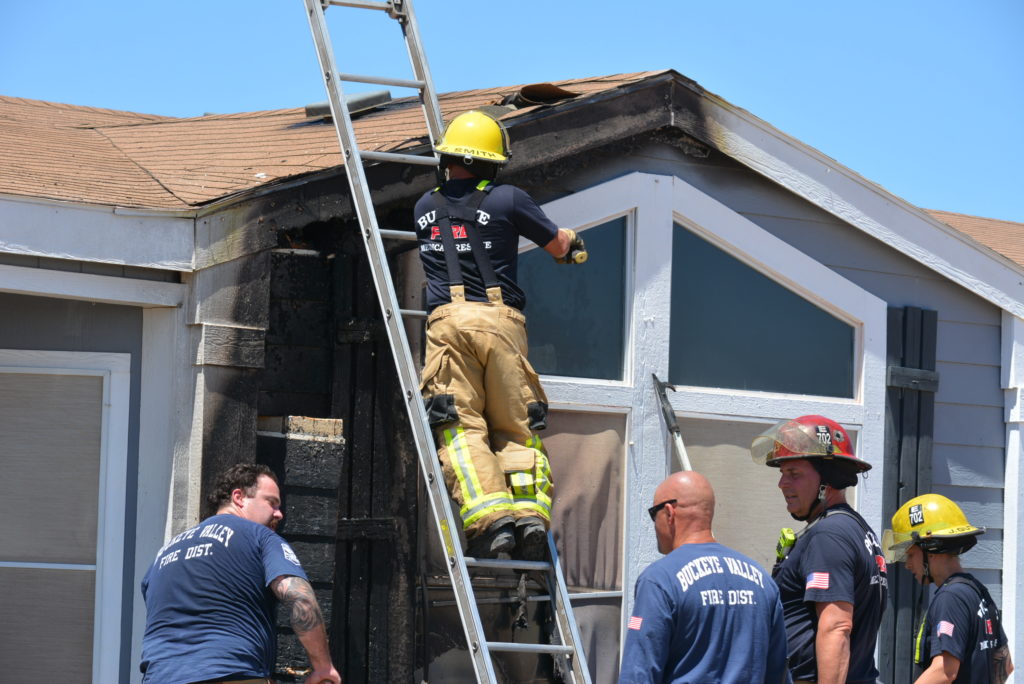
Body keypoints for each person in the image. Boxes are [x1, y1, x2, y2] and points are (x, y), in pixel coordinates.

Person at [414, 110, 586, 560]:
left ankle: (492, 521)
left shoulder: (424, 206)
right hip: (501, 324)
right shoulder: (509, 199)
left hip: (446, 327)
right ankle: (528, 516)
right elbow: (559, 246)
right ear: (492, 163)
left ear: (448, 158)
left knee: (461, 427)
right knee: (516, 427)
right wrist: (572, 242)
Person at [140, 463, 341, 684]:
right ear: (239, 497)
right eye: (271, 503)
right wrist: (323, 667)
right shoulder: (260, 536)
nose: (279, 514)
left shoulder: (163, 555)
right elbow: (300, 599)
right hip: (230, 671)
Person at [751, 415, 887, 684]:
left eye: (794, 474)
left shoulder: (829, 535)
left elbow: (836, 626)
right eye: (782, 473)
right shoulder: (855, 529)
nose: (782, 484)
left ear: (829, 478)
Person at [619, 471, 790, 683]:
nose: (654, 524)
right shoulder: (761, 579)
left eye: (654, 514)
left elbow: (638, 674)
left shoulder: (659, 580)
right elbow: (778, 672)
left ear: (670, 513)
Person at [885, 493, 1013, 683]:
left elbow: (944, 671)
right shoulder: (977, 591)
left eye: (911, 555)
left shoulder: (950, 597)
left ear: (932, 549)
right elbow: (1005, 666)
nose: (908, 565)